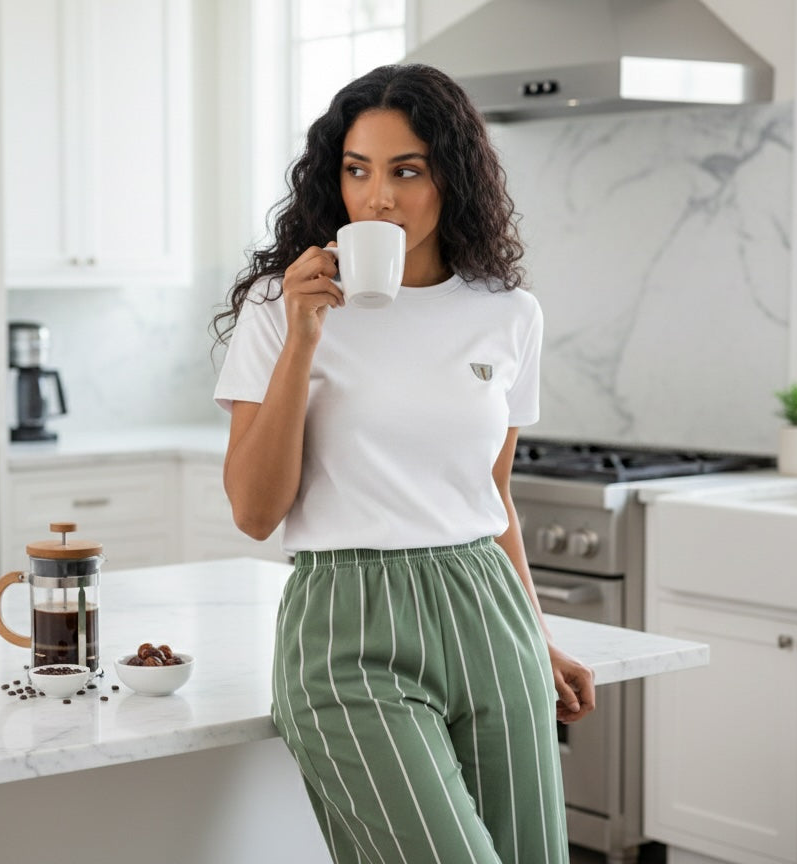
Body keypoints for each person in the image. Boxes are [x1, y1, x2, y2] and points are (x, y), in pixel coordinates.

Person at [211, 63, 595, 864]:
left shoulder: (505, 312)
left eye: (405, 171)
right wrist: (303, 340)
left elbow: (492, 494)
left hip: (488, 616)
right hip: (347, 624)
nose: (377, 197)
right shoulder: (278, 307)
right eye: (357, 171)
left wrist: (533, 633)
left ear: (450, 179)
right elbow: (253, 511)